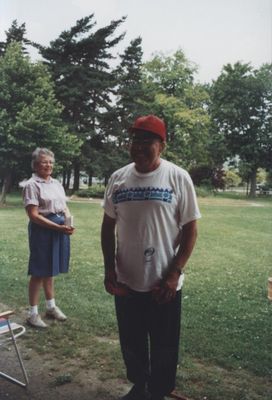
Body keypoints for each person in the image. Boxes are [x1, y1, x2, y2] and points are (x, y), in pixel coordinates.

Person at [101, 115, 201, 400]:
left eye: (148, 141)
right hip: (126, 280)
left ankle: (157, 391)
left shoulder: (177, 177)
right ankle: (139, 386)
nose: (140, 147)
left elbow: (191, 229)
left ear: (162, 145)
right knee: (131, 343)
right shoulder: (118, 178)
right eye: (135, 140)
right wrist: (110, 270)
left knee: (164, 345)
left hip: (163, 282)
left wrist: (174, 273)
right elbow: (108, 227)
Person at [22, 147, 75, 329]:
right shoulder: (32, 184)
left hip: (58, 228)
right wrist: (58, 227)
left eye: (51, 162)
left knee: (50, 269)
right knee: (39, 271)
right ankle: (32, 313)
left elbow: (64, 206)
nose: (48, 165)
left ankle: (51, 307)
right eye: (44, 162)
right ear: (36, 165)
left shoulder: (56, 183)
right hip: (42, 229)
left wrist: (68, 222)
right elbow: (34, 215)